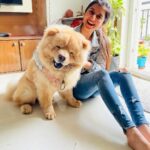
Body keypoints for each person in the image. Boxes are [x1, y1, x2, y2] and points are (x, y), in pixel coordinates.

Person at [72, 0, 150, 150]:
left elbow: (100, 69)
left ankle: (142, 126)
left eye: (99, 16)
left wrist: (86, 63)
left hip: (95, 85)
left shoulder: (102, 41)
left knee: (124, 74)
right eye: (91, 12)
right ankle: (130, 130)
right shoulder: (69, 35)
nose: (93, 18)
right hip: (76, 88)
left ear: (102, 22)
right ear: (85, 12)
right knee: (102, 74)